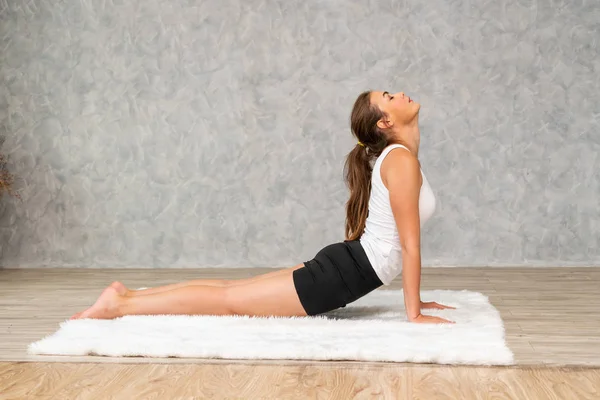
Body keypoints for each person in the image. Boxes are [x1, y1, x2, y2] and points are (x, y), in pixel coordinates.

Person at [71, 90, 455, 324]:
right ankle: (119, 306)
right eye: (389, 96)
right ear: (386, 121)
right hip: (339, 276)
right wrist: (415, 313)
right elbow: (408, 246)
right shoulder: (401, 160)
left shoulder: (399, 157)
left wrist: (416, 301)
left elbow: (400, 241)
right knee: (228, 301)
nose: (400, 93)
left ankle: (127, 298)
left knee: (231, 292)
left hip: (346, 266)